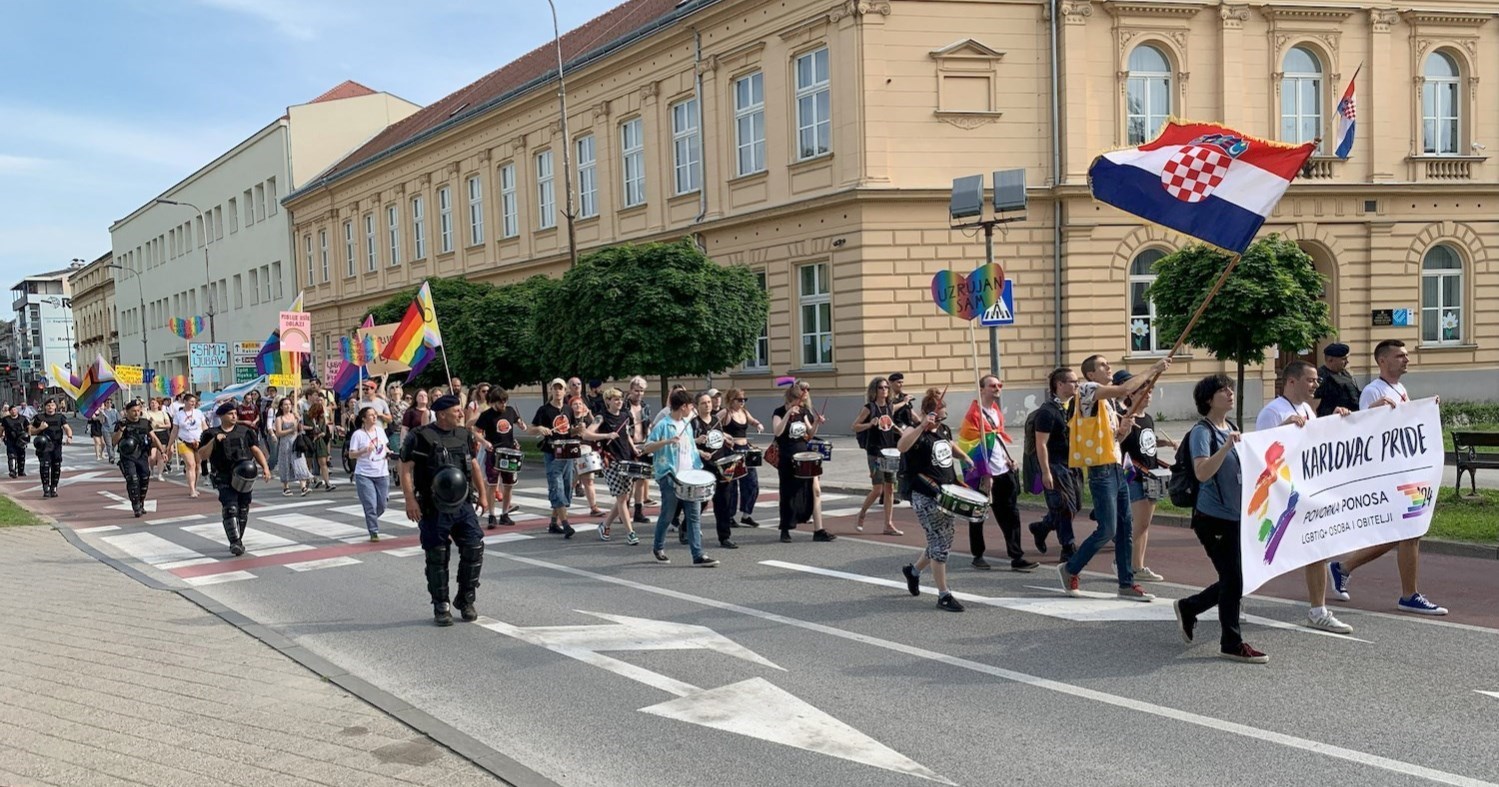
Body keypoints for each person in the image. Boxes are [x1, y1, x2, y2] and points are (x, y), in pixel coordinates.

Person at [1330, 339, 1448, 615]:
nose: (1406, 359)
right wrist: (1373, 412)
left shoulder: (1400, 388)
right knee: (1410, 531)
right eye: (1399, 356)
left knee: (1405, 533)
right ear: (1382, 361)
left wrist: (1424, 408)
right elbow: (1365, 432)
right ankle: (1409, 595)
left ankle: (1343, 567)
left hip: (1407, 470)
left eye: (1406, 355)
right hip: (1390, 475)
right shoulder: (1373, 391)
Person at [1173, 374, 1269, 663]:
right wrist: (1226, 447)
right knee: (1233, 579)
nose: (1230, 393)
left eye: (1230, 389)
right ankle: (1231, 641)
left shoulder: (1231, 426)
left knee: (1236, 579)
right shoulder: (1203, 432)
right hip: (1211, 518)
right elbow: (1202, 472)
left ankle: (1189, 607)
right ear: (1207, 399)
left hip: (1236, 516)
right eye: (1222, 390)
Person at [1057, 354, 1170, 601]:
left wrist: (1122, 432)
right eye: (1102, 365)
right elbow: (1124, 387)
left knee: (1125, 528)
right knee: (1108, 528)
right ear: (1090, 375)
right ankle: (1070, 568)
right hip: (1101, 471)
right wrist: (1152, 369)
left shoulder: (1108, 405)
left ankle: (1126, 583)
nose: (1109, 367)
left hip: (1116, 468)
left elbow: (1112, 441)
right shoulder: (1087, 390)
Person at [1254, 360, 1354, 633]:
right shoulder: (1272, 412)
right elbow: (1262, 456)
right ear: (1292, 381)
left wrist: (1335, 420)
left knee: (1317, 547)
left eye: (1316, 381)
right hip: (1280, 497)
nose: (1316, 384)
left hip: (1306, 491)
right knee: (1262, 552)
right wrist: (1283, 430)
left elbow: (1314, 444)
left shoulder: (1307, 409)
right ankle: (1231, 596)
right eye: (1311, 380)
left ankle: (1318, 610)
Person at [399, 394, 490, 626]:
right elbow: (406, 467)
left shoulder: (463, 435)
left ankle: (466, 599)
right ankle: (441, 604)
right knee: (437, 555)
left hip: (462, 504)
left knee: (474, 546)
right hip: (433, 506)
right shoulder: (420, 437)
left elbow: (474, 464)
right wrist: (410, 500)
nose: (461, 414)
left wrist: (483, 495)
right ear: (441, 414)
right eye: (456, 411)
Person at [898, 388, 974, 612]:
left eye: (943, 417)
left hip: (947, 493)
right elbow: (902, 447)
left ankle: (913, 571)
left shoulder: (942, 430)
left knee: (943, 539)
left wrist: (965, 457)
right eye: (937, 416)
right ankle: (943, 594)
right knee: (940, 544)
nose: (940, 421)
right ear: (926, 413)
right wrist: (922, 425)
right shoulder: (914, 431)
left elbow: (949, 444)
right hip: (925, 495)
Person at [960, 375, 1038, 571]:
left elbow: (996, 440)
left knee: (1011, 514)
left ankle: (1017, 556)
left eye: (999, 385)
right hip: (982, 474)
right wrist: (985, 474)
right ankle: (977, 554)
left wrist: (1008, 458)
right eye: (992, 385)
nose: (997, 388)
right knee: (977, 514)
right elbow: (970, 447)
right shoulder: (973, 415)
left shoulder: (995, 411)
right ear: (982, 389)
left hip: (1003, 470)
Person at [1114, 369, 1177, 583]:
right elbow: (1116, 444)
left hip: (1152, 475)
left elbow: (1146, 441)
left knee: (1144, 525)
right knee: (1138, 524)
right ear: (1132, 394)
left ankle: (1135, 564)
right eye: (1145, 391)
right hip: (1133, 475)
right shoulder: (1125, 418)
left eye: (1150, 391)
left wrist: (1165, 443)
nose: (1149, 395)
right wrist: (1123, 430)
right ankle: (1132, 565)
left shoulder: (1147, 418)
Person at [644, 388, 718, 567]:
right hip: (670, 476)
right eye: (690, 406)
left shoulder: (687, 423)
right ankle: (658, 547)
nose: (692, 409)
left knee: (694, 516)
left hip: (689, 476)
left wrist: (700, 454)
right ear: (683, 406)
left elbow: (688, 446)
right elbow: (647, 448)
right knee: (667, 515)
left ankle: (698, 555)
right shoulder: (664, 425)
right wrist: (667, 442)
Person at [197, 402, 273, 557]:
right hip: (223, 475)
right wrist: (214, 441)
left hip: (244, 475)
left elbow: (255, 450)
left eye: (235, 413)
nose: (234, 416)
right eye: (230, 414)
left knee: (243, 507)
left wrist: (265, 468)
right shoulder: (210, 433)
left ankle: (239, 538)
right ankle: (235, 542)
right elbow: (202, 454)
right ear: (221, 416)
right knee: (230, 507)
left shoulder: (245, 432)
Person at [771, 382, 835, 543]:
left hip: (805, 456)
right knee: (788, 493)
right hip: (787, 457)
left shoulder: (804, 411)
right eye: (803, 390)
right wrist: (788, 414)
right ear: (794, 394)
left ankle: (818, 530)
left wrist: (816, 423)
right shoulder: (779, 411)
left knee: (815, 491)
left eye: (808, 389)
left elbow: (810, 434)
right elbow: (777, 431)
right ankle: (785, 529)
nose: (806, 393)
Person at [1031, 368, 1080, 561]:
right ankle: (1068, 547)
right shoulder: (1047, 411)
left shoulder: (1073, 406)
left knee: (1075, 505)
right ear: (1059, 385)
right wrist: (1045, 472)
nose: (1077, 385)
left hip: (1072, 463)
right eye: (1073, 382)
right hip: (1055, 464)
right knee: (1064, 506)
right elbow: (1040, 443)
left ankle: (1042, 527)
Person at [582, 387, 641, 544]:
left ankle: (605, 525)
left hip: (625, 459)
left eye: (620, 399)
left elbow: (626, 435)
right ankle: (630, 533)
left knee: (624, 496)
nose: (619, 402)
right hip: (611, 461)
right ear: (608, 401)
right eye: (615, 399)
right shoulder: (602, 417)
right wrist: (606, 435)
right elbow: (586, 434)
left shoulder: (623, 416)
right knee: (622, 498)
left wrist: (634, 449)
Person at [852, 376, 902, 535]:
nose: (885, 390)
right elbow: (855, 426)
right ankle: (862, 513)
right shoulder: (869, 408)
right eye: (881, 387)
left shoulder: (890, 407)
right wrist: (869, 424)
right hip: (875, 452)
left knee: (890, 489)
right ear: (875, 390)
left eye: (887, 387)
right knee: (877, 489)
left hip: (890, 451)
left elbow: (889, 423)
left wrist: (898, 430)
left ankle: (888, 524)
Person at [532, 378, 578, 537]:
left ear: (565, 391)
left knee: (565, 487)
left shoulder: (568, 409)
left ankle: (553, 523)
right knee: (556, 487)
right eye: (555, 388)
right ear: (551, 390)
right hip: (552, 452)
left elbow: (570, 430)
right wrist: (541, 429)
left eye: (561, 388)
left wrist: (578, 430)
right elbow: (531, 430)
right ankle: (566, 525)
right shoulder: (544, 410)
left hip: (567, 452)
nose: (558, 391)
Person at [474, 387, 524, 527]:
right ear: (492, 402)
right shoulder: (486, 415)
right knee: (492, 485)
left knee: (508, 485)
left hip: (509, 452)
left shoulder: (510, 411)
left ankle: (505, 514)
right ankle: (491, 515)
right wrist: (484, 442)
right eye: (500, 403)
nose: (503, 405)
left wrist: (521, 424)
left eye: (505, 402)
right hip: (494, 452)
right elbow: (475, 432)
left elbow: (519, 422)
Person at [718, 388, 763, 527]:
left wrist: (758, 424)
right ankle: (730, 516)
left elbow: (753, 420)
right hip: (732, 450)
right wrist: (724, 436)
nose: (742, 402)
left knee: (752, 483)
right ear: (732, 400)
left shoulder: (744, 412)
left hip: (746, 450)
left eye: (744, 400)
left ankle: (746, 514)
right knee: (732, 485)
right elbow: (711, 426)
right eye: (740, 400)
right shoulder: (725, 413)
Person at [113, 399, 163, 518]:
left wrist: (162, 451)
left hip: (142, 455)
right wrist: (121, 429)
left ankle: (141, 502)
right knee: (133, 480)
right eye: (133, 411)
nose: (136, 413)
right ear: (127, 411)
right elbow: (114, 441)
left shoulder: (145, 423)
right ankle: (136, 506)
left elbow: (154, 437)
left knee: (144, 479)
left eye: (138, 411)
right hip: (128, 456)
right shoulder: (122, 423)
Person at [347, 406, 391, 541]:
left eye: (375, 414)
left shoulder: (380, 431)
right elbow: (351, 454)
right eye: (371, 415)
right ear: (364, 418)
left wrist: (388, 452)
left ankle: (370, 517)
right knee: (370, 504)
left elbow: (385, 446)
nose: (374, 417)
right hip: (364, 474)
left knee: (382, 504)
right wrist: (364, 450)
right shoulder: (358, 434)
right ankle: (373, 531)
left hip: (382, 472)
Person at [570, 395, 606, 518]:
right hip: (572, 451)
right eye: (575, 404)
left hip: (586, 450)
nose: (578, 406)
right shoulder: (568, 419)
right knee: (571, 481)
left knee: (589, 480)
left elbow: (594, 432)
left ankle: (594, 507)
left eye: (580, 404)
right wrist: (574, 430)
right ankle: (562, 507)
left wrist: (589, 415)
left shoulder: (587, 419)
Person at [29, 399, 72, 498]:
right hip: (44, 446)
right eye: (48, 405)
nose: (50, 407)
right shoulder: (39, 417)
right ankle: (46, 488)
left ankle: (54, 487)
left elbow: (67, 427)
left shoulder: (60, 417)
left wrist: (69, 437)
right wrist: (40, 428)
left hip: (56, 445)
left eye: (52, 405)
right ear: (45, 407)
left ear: (55, 407)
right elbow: (31, 430)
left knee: (56, 466)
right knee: (45, 466)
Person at [625, 376, 653, 523]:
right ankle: (625, 510)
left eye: (642, 391)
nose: (639, 394)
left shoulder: (645, 407)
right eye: (636, 390)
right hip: (629, 445)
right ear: (631, 390)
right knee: (629, 479)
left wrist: (649, 441)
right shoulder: (624, 406)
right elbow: (624, 429)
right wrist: (632, 446)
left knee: (642, 479)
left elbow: (648, 425)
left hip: (643, 443)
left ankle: (638, 511)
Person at [271, 397, 311, 496]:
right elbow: (279, 433)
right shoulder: (279, 418)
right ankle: (286, 487)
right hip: (285, 443)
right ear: (281, 406)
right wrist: (290, 430)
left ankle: (303, 487)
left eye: (289, 404)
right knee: (285, 463)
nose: (288, 406)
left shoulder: (295, 416)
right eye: (285, 404)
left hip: (296, 442)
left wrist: (299, 420)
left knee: (300, 462)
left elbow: (300, 429)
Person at [171, 395, 207, 498]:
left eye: (194, 402)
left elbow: (204, 426)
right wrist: (170, 444)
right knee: (191, 465)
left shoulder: (198, 413)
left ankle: (195, 486)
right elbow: (174, 431)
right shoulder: (178, 415)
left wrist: (208, 438)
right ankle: (191, 490)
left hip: (198, 442)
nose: (193, 403)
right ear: (185, 401)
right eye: (191, 401)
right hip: (184, 442)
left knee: (198, 465)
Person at [1313, 343, 1360, 417]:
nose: (1347, 362)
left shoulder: (1345, 373)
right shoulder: (1320, 376)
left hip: (1351, 417)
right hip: (1334, 420)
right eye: (1343, 359)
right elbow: (1314, 404)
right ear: (1330, 360)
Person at [303, 398, 337, 491]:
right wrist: (311, 428)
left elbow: (324, 432)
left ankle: (327, 483)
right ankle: (307, 483)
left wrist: (318, 434)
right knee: (308, 463)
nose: (320, 414)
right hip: (309, 440)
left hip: (319, 441)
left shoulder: (322, 419)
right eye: (318, 412)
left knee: (323, 463)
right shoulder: (306, 416)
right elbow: (301, 427)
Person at [145, 398, 173, 481]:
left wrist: (160, 426)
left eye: (155, 403)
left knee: (161, 455)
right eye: (151, 403)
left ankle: (160, 474)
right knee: (152, 456)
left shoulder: (163, 413)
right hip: (152, 433)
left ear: (158, 404)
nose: (153, 404)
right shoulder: (147, 413)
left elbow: (168, 425)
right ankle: (151, 469)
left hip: (162, 434)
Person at [2, 404, 28, 478]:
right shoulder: (6, 419)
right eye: (12, 410)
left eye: (15, 410)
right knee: (11, 455)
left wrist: (28, 436)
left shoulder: (23, 418)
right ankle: (12, 471)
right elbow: (1, 428)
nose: (14, 411)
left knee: (21, 456)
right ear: (9, 411)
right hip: (10, 440)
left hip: (21, 440)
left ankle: (21, 471)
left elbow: (29, 427)